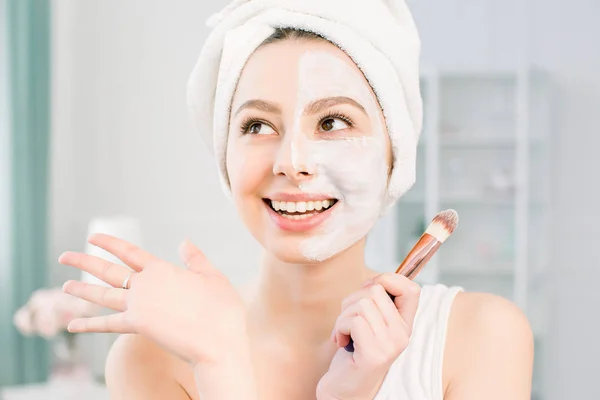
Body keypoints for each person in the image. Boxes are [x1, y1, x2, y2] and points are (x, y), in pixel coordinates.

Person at [59, 1, 534, 399]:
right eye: (257, 126)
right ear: (225, 160)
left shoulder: (481, 337)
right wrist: (220, 360)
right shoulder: (154, 358)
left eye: (332, 122)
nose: (291, 161)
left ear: (396, 155)